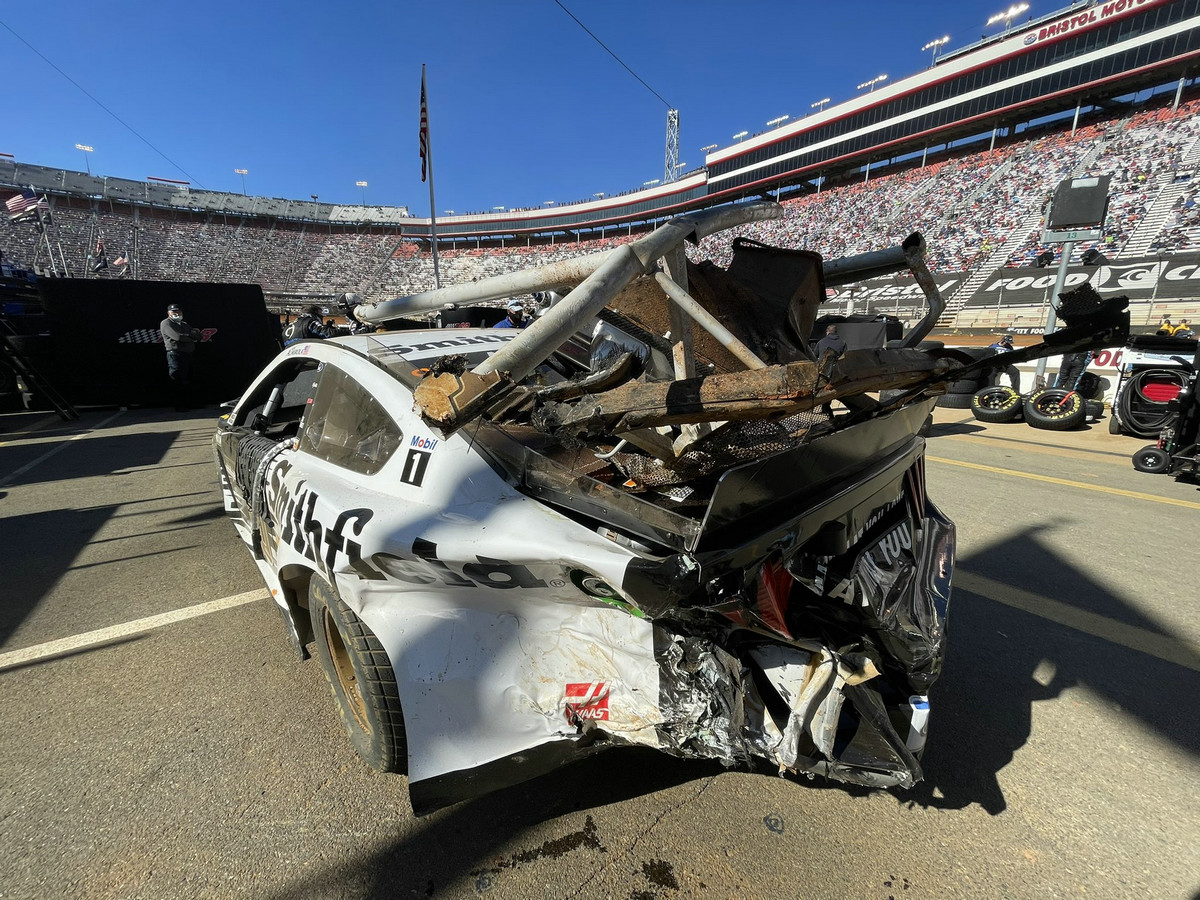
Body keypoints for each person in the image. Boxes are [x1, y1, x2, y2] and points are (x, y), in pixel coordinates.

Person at [160, 303, 202, 410]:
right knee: (178, 379)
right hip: (176, 354)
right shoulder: (166, 323)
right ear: (169, 313)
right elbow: (177, 337)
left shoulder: (184, 324)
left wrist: (191, 335)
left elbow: (199, 335)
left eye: (179, 312)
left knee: (189, 379)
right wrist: (191, 336)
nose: (177, 314)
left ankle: (191, 403)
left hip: (188, 354)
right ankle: (179, 405)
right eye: (174, 312)